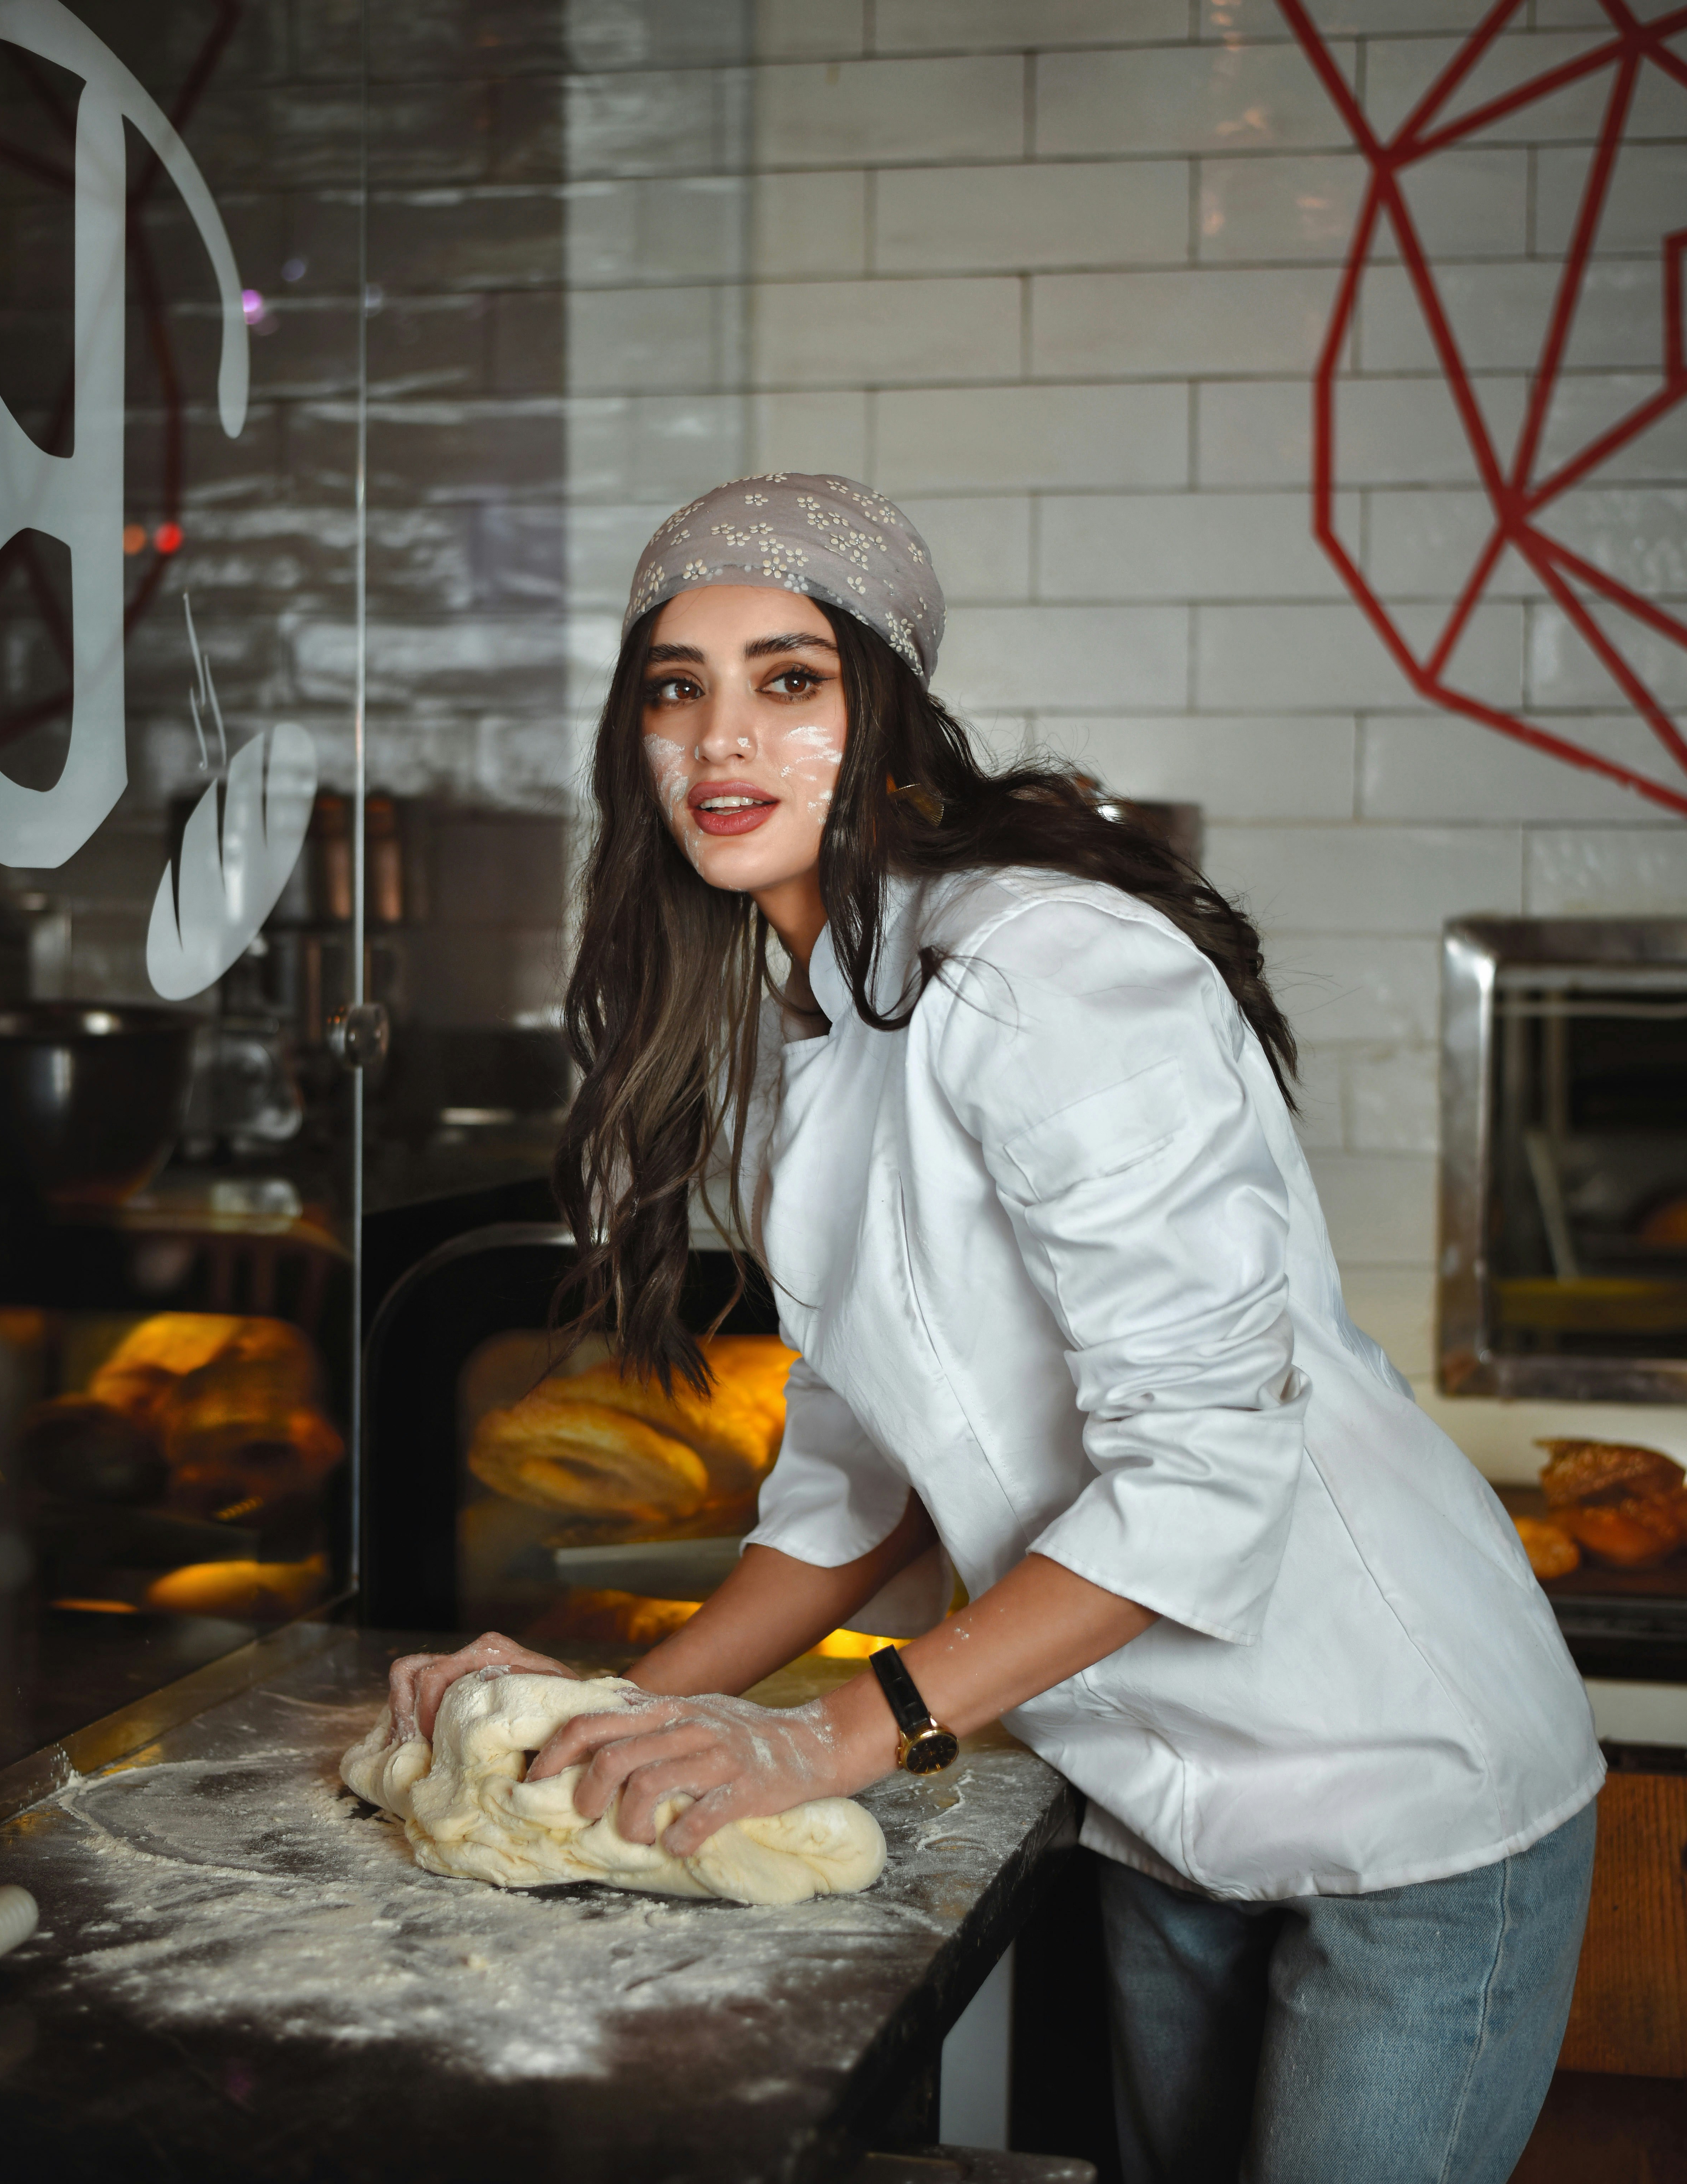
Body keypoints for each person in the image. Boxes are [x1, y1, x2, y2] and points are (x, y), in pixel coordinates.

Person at [390, 474, 1602, 2184]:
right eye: (677, 687)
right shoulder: (797, 1035)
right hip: (1149, 1793)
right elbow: (852, 1500)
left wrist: (829, 1734)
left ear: (882, 710)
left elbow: (1202, 1466)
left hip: (1400, 1772)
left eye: (787, 679)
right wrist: (607, 1721)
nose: (722, 735)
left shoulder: (1048, 971)